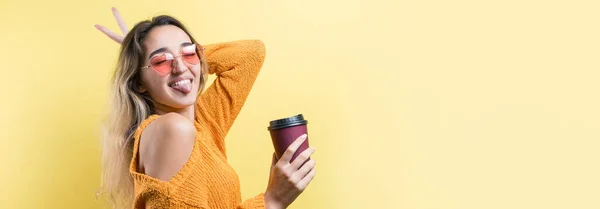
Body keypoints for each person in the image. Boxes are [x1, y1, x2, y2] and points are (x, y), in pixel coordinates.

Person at [95, 8, 316, 209]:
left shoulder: (203, 123)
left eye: (189, 53)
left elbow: (251, 54)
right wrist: (272, 201)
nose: (180, 67)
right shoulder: (173, 128)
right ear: (138, 83)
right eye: (161, 61)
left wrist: (147, 57)